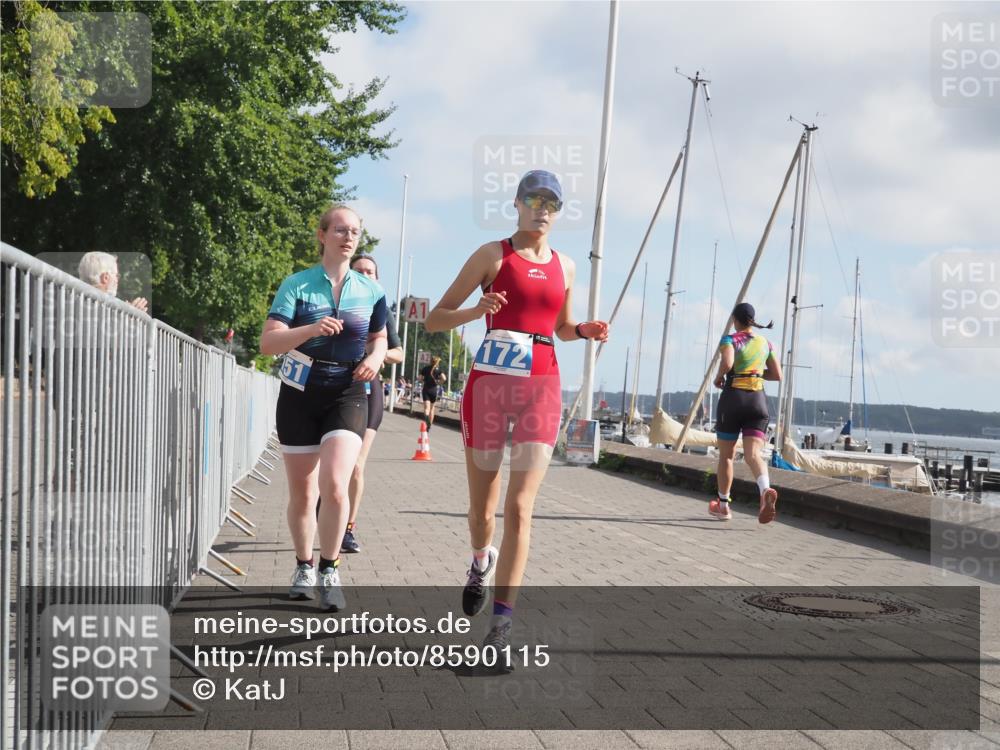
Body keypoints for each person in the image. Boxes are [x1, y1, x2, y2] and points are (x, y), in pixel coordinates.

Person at [424, 169, 609, 658]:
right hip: (489, 389)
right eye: (534, 199)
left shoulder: (566, 266)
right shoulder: (492, 255)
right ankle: (479, 559)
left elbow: (562, 327)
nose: (543, 209)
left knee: (521, 508)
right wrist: (476, 309)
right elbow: (435, 317)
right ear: (517, 203)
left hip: (542, 388)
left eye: (552, 202)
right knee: (484, 512)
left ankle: (502, 626)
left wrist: (584, 329)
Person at [259, 204, 387, 610]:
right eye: (340, 230)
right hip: (299, 392)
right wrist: (312, 329)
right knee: (302, 491)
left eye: (354, 232)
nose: (348, 238)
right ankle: (303, 564)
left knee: (335, 483)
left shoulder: (372, 291)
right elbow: (268, 344)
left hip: (347, 391)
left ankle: (329, 569)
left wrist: (375, 358)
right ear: (322, 235)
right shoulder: (297, 285)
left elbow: (380, 337)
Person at [340, 252, 404, 553]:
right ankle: (327, 510)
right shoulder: (335, 304)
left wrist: (376, 354)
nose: (365, 275)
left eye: (370, 272)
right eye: (359, 271)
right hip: (332, 386)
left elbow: (399, 354)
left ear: (377, 279)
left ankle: (348, 529)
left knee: (355, 465)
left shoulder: (381, 311)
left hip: (368, 389)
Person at [710, 302, 782, 524]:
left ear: (735, 320)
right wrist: (756, 374)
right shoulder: (765, 343)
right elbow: (777, 374)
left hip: (733, 399)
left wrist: (719, 376)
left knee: (727, 456)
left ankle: (723, 506)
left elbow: (728, 361)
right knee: (753, 455)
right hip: (757, 402)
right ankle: (765, 491)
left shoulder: (730, 339)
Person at [78, 251, 149, 312]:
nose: (117, 280)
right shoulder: (101, 308)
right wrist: (130, 316)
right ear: (105, 277)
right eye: (116, 275)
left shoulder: (72, 300)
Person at [419, 355, 446, 429]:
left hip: (426, 389)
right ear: (437, 362)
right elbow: (444, 378)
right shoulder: (438, 370)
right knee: (432, 408)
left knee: (426, 408)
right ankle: (429, 425)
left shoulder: (425, 369)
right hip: (434, 390)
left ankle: (427, 420)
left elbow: (420, 378)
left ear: (430, 361)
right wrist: (438, 383)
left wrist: (423, 381)